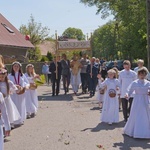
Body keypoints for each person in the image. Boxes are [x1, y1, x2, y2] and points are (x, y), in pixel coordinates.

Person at [124, 67, 150, 138]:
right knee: (136, 114)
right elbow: (129, 90)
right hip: (137, 100)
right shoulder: (135, 82)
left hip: (145, 100)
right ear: (138, 75)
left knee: (145, 114)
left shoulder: (148, 83)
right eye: (141, 74)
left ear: (146, 75)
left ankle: (145, 132)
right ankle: (134, 130)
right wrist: (127, 95)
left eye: (144, 74)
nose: (142, 76)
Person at [8, 61, 29, 126]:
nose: (16, 67)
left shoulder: (22, 75)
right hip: (13, 94)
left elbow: (27, 83)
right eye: (15, 66)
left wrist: (25, 87)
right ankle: (14, 121)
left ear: (19, 67)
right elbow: (8, 84)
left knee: (21, 106)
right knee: (14, 106)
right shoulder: (9, 75)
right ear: (12, 67)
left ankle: (20, 119)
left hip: (21, 93)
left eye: (17, 66)